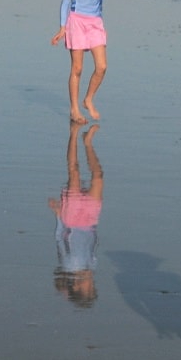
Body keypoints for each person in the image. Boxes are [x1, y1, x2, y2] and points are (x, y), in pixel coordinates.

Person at [50, 0, 108, 123]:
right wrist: (62, 27)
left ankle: (88, 99)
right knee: (77, 68)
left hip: (95, 23)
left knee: (101, 67)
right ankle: (74, 109)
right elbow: (65, 1)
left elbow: (99, 1)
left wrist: (98, 22)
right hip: (76, 21)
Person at [49, 121, 104, 307]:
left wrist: (58, 215)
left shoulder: (69, 265)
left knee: (74, 172)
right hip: (91, 220)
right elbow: (93, 242)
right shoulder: (92, 267)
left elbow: (60, 240)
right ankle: (87, 143)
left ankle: (74, 135)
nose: (93, 285)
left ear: (79, 287)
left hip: (71, 219)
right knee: (98, 176)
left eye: (90, 288)